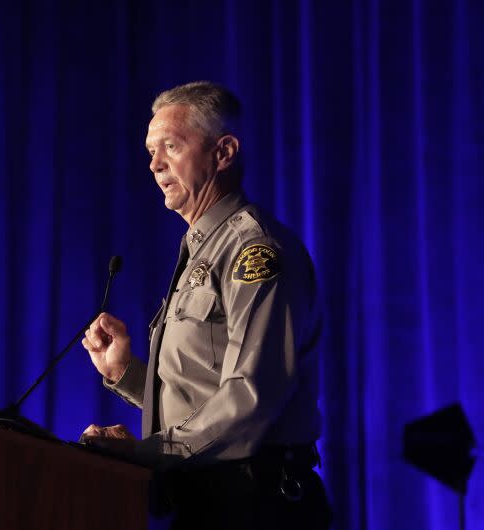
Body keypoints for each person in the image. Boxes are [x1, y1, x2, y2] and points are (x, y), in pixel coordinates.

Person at [80, 82, 332, 529]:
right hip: (207, 503)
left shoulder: (254, 250)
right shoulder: (202, 248)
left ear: (224, 152)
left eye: (170, 147)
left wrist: (144, 453)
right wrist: (125, 373)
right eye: (150, 151)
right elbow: (200, 396)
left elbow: (250, 396)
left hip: (256, 506)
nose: (155, 164)